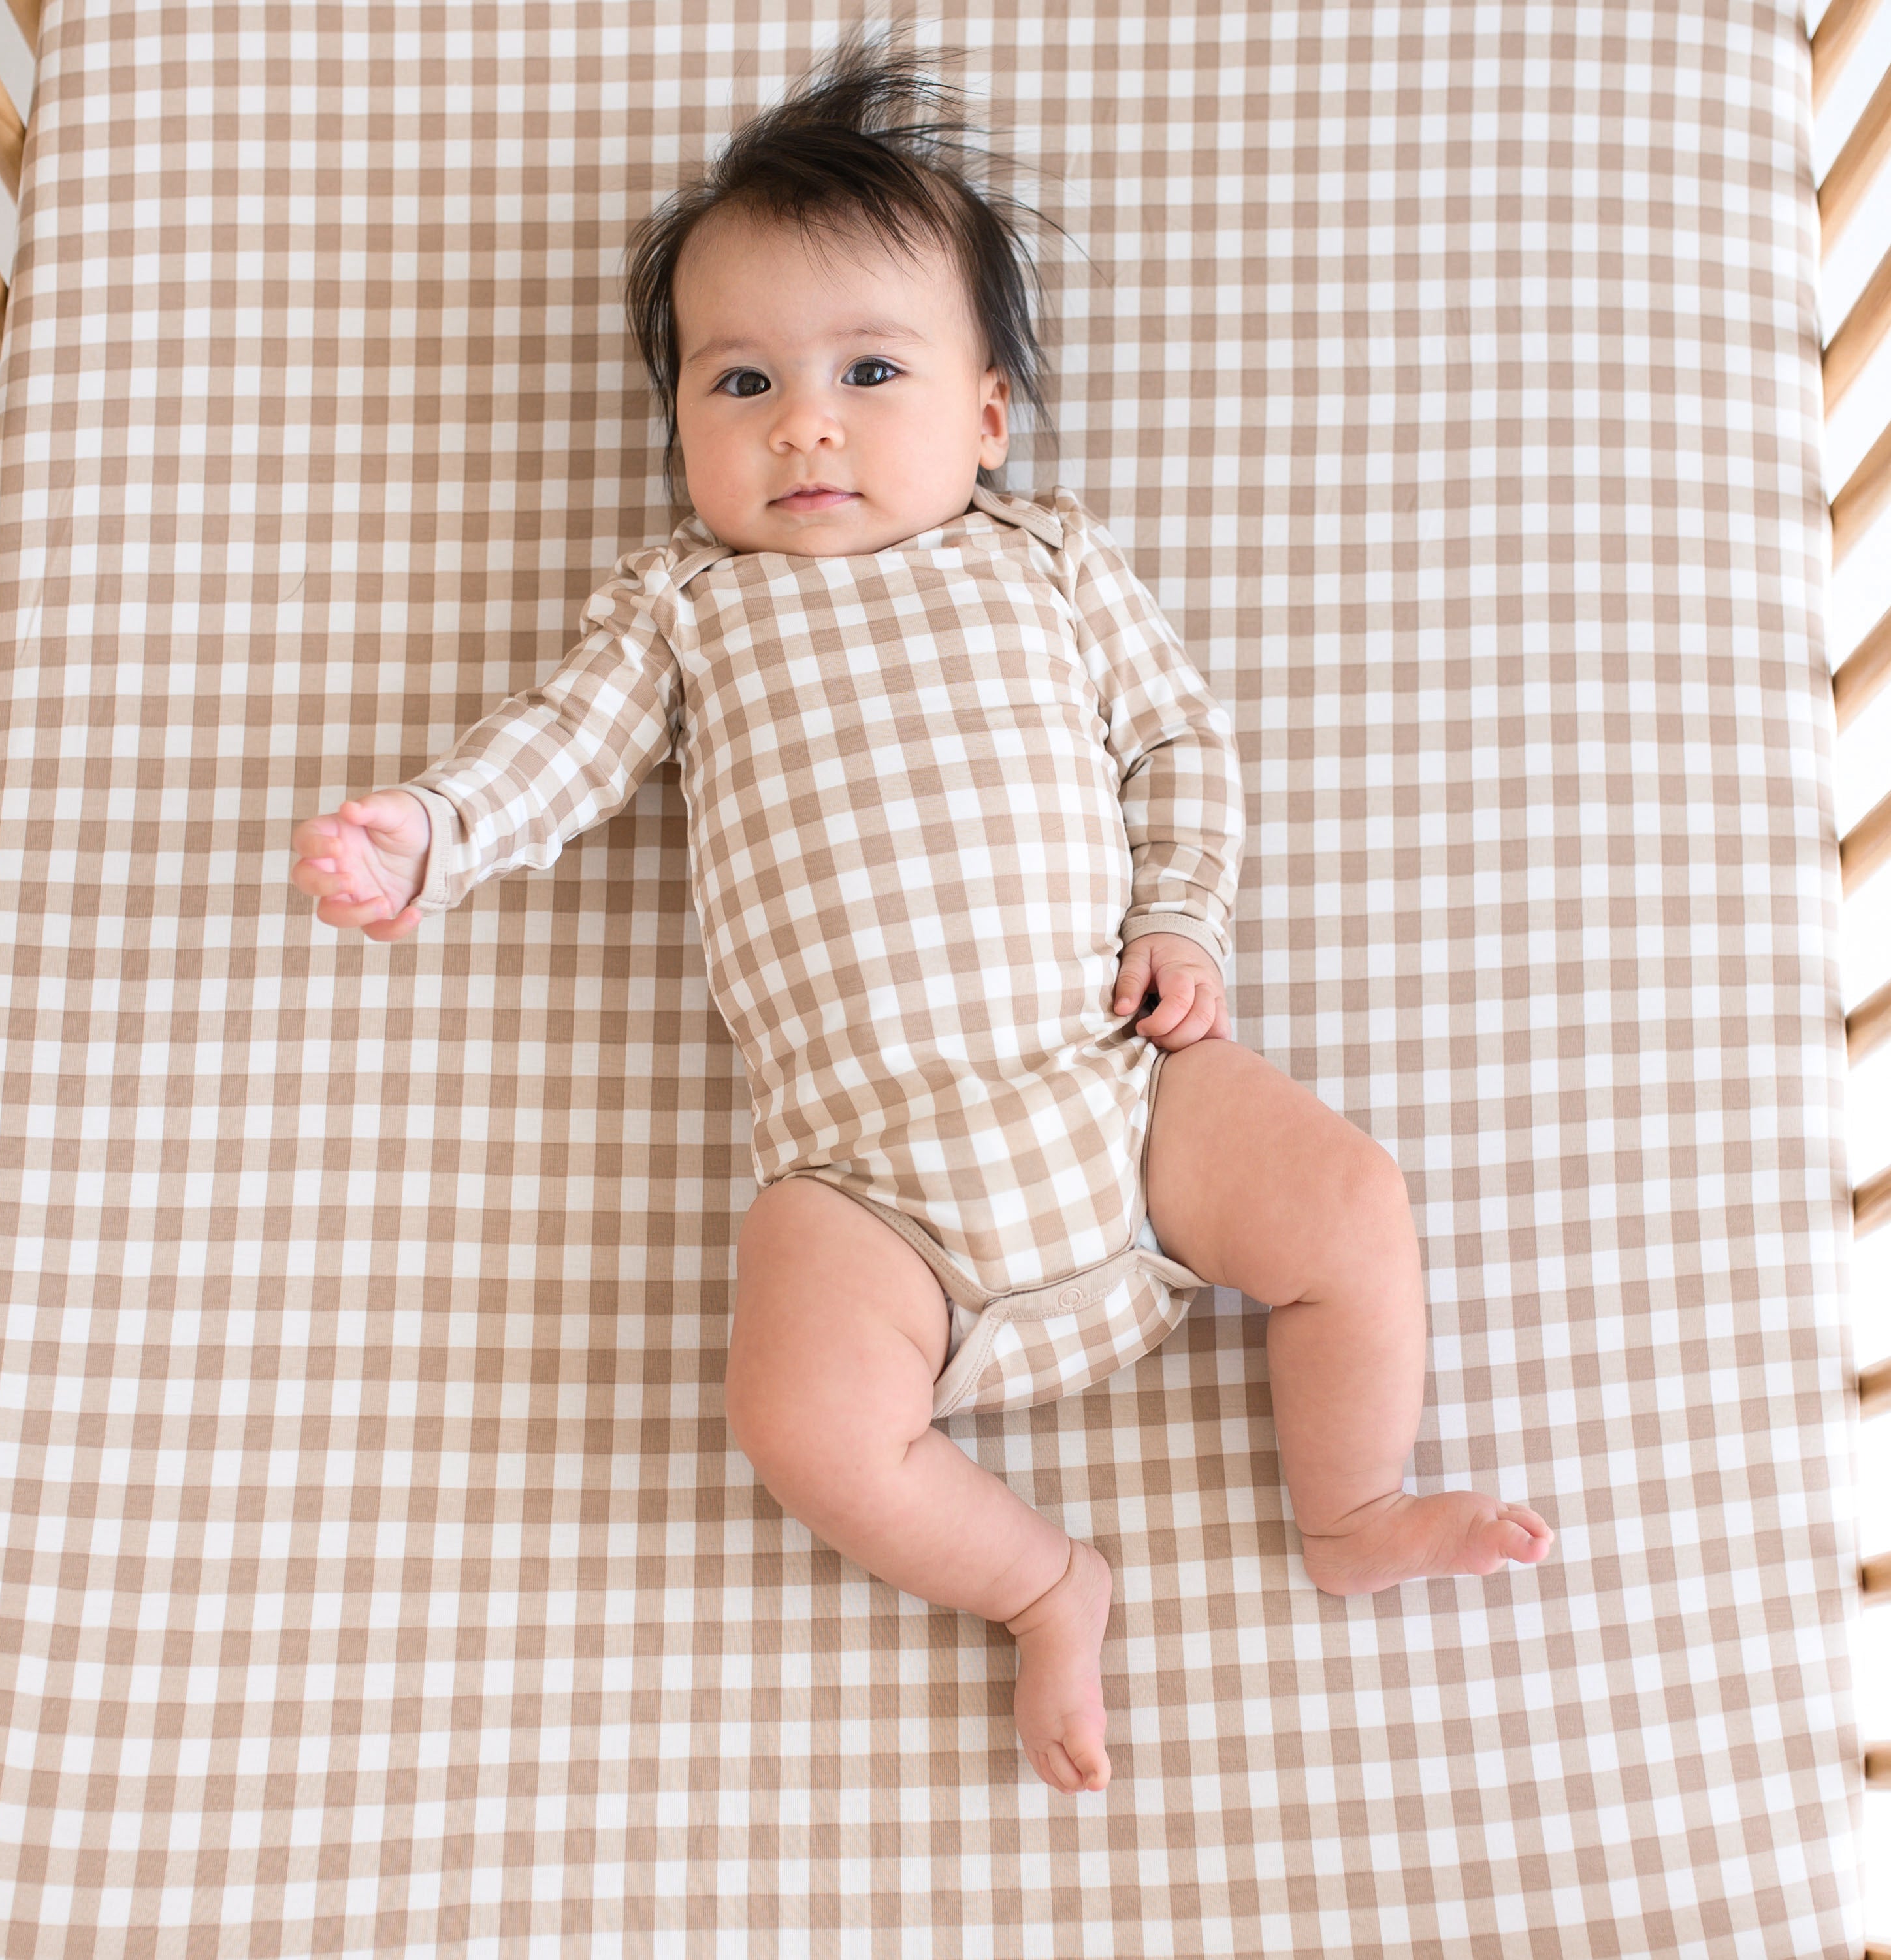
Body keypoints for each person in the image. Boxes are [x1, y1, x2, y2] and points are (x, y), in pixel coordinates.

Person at [288, 39, 1551, 1797]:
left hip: (1119, 1083)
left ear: (987, 419)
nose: (804, 422)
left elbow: (1177, 744)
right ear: (679, 430)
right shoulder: (687, 607)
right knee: (791, 1416)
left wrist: (1185, 923)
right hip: (869, 1189)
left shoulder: (1044, 559)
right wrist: (427, 833)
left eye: (870, 370)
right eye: (741, 381)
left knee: (1351, 1204)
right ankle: (1040, 1585)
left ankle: (1351, 1510)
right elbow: (556, 751)